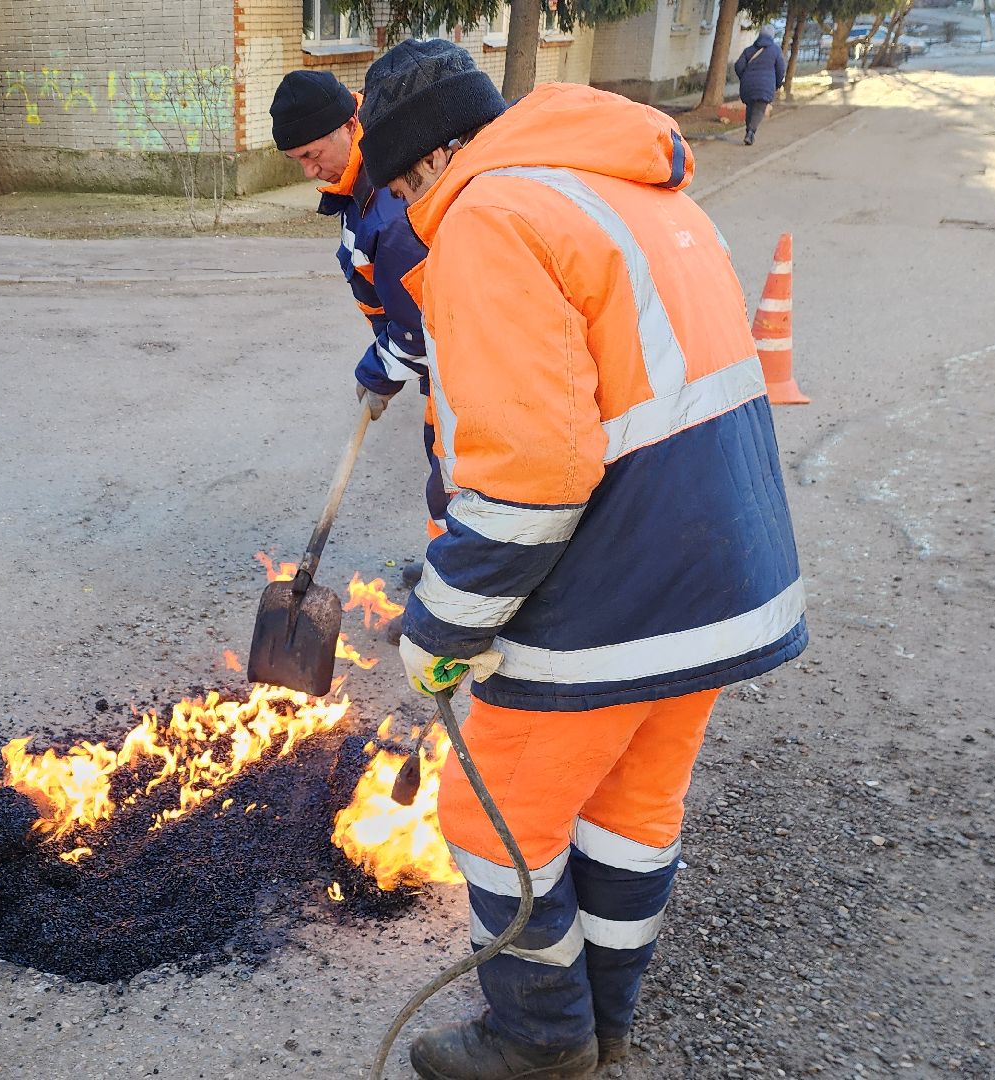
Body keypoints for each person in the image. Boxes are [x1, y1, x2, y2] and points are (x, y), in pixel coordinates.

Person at [358, 40, 807, 1079]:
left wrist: (442, 630)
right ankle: (608, 1026)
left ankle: (539, 1036)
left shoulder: (489, 216)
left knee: (489, 817)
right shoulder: (626, 190)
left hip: (624, 588)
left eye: (396, 181)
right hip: (726, 575)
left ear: (421, 160)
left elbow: (532, 474)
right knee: (631, 807)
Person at [269, 70, 447, 589]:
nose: (308, 172)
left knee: (461, 477)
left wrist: (378, 374)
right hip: (444, 365)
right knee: (448, 467)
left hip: (463, 360)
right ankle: (447, 572)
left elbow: (419, 324)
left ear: (350, 124)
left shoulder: (390, 203)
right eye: (296, 160)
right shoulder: (361, 183)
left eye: (311, 154)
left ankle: (452, 602)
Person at [734, 29, 788, 146]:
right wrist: (777, 84)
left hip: (748, 85)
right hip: (765, 86)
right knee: (759, 109)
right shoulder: (776, 50)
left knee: (750, 107)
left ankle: (749, 131)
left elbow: (738, 65)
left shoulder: (749, 50)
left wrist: (745, 78)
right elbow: (781, 70)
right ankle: (751, 132)